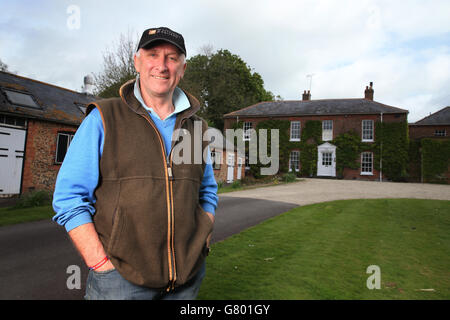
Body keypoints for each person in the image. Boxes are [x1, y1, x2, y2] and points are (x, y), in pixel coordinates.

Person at [52, 27, 218, 300]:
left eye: (172, 58)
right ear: (137, 61)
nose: (162, 66)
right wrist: (100, 263)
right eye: (153, 55)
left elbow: (207, 191)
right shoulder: (104, 117)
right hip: (119, 281)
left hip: (187, 280)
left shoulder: (198, 128)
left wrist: (202, 240)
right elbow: (69, 197)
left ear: (183, 68)